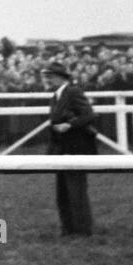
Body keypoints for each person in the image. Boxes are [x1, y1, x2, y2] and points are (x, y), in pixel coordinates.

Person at [41, 61, 96, 235]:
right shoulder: (55, 96)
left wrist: (69, 125)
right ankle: (68, 228)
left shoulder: (73, 92)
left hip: (76, 147)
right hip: (61, 148)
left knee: (76, 190)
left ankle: (82, 229)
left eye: (50, 76)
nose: (48, 80)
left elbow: (88, 114)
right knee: (63, 191)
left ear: (59, 77)